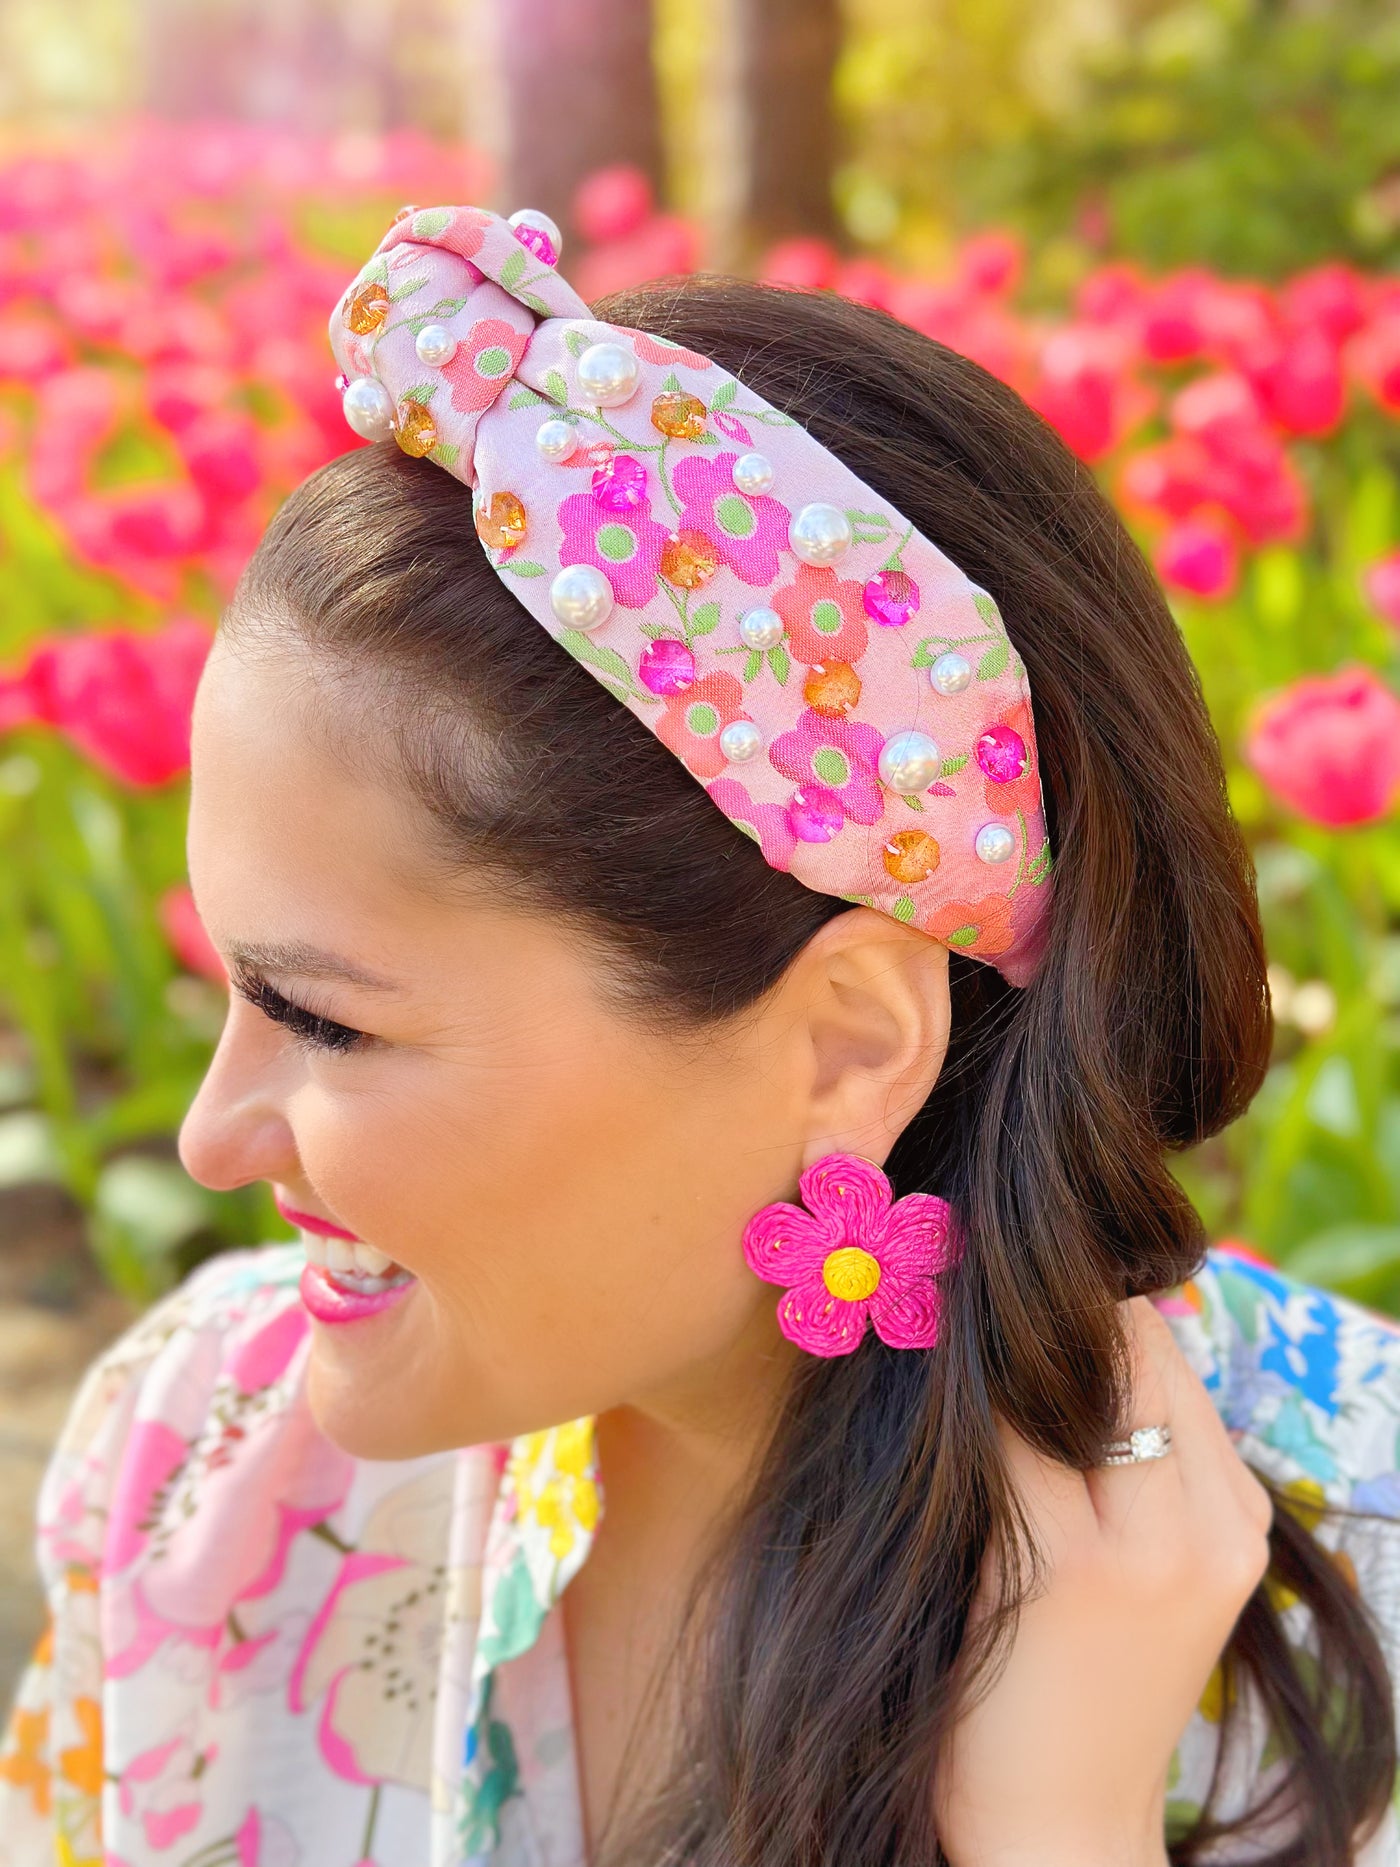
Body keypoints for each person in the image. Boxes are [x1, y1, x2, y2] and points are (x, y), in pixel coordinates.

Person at [2, 202, 1398, 1867]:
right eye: (231, 990)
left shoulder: (1353, 1575)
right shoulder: (197, 1455)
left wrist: (1061, 1834)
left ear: (845, 1048)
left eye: (322, 1019)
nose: (209, 1137)